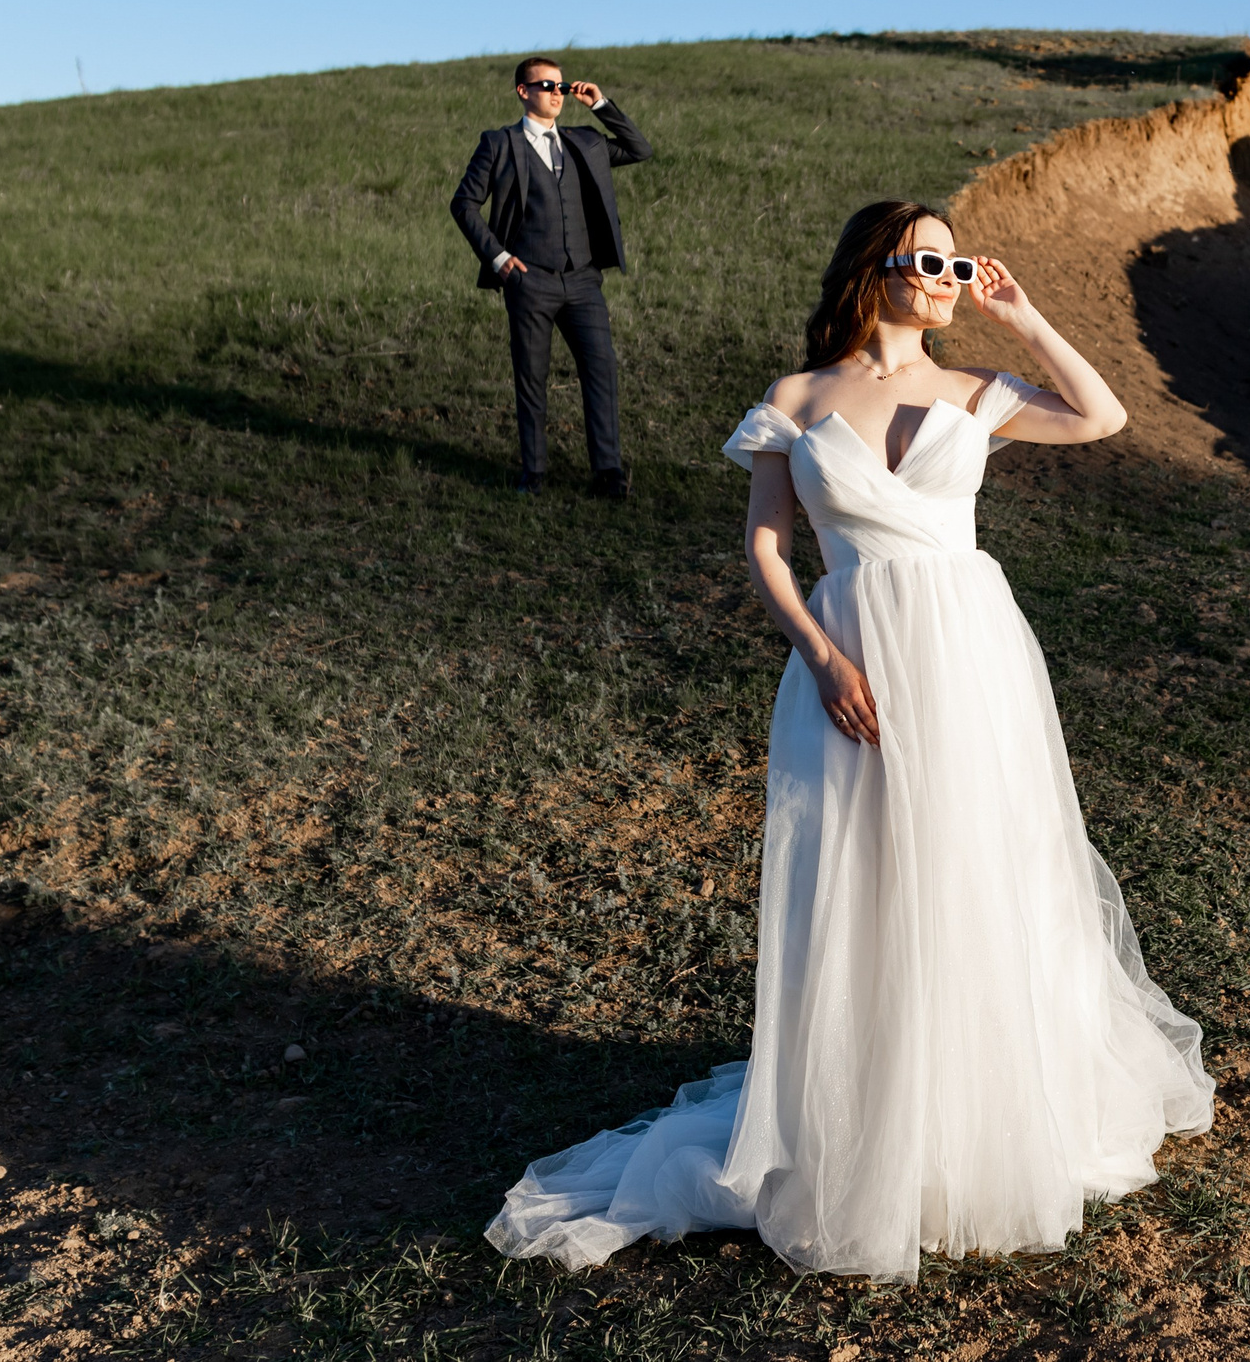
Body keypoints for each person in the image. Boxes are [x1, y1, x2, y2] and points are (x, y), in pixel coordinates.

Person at [485, 200, 1213, 1281]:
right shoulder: (797, 399)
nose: (944, 275)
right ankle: (871, 1119)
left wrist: (1022, 317)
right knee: (865, 878)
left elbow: (1101, 418)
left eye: (953, 263)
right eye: (925, 258)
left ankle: (986, 1115)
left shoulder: (976, 390)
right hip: (852, 654)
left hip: (968, 653)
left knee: (978, 866)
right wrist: (824, 658)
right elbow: (771, 550)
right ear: (872, 269)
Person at [449, 57, 654, 497]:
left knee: (601, 371)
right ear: (523, 91)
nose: (557, 93)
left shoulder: (586, 143)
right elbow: (463, 204)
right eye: (546, 85)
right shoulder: (499, 144)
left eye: (561, 86)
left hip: (582, 280)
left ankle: (608, 473)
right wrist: (498, 257)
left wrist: (600, 104)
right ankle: (534, 472)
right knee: (531, 376)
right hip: (530, 281)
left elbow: (640, 149)